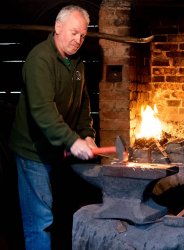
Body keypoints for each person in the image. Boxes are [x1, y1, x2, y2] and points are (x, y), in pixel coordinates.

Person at [9, 5, 97, 250]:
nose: (78, 39)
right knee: (40, 221)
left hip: (57, 150)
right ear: (58, 28)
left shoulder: (77, 63)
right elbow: (42, 112)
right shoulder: (40, 59)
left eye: (82, 35)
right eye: (74, 32)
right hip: (33, 151)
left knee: (59, 213)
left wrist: (87, 135)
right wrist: (73, 141)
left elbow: (83, 104)